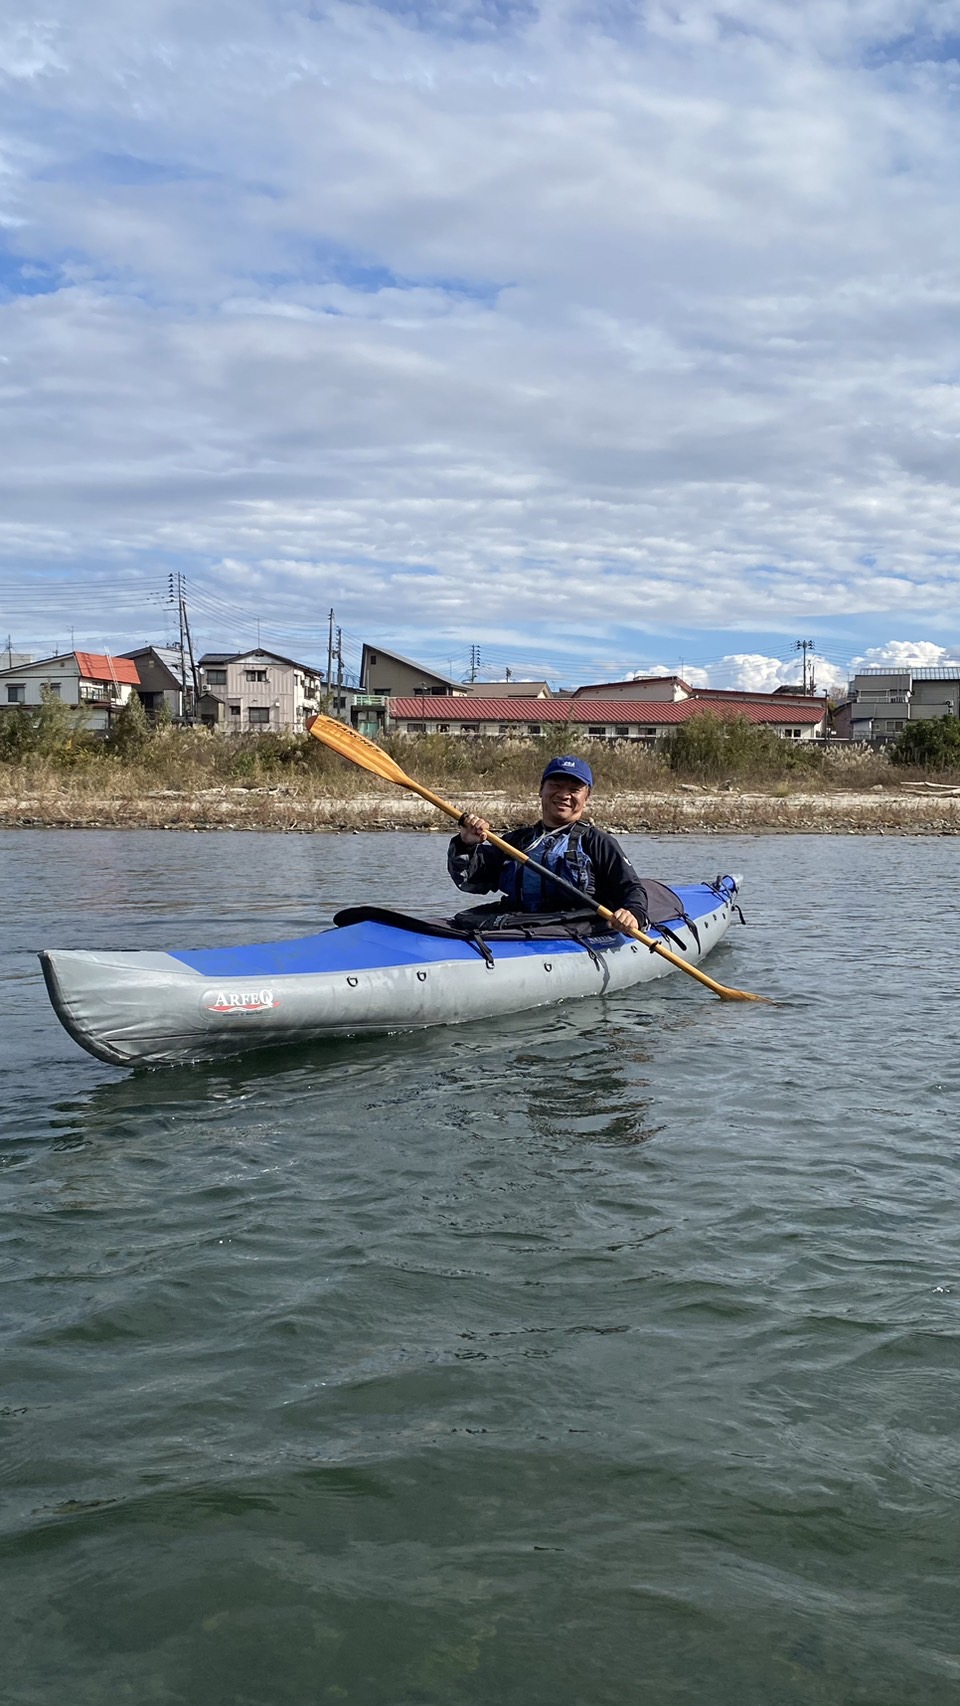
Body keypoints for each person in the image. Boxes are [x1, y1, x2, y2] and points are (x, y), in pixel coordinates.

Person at [448, 754, 646, 932]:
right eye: (556, 785)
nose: (563, 795)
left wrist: (633, 914)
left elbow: (631, 888)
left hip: (574, 926)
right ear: (541, 790)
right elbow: (469, 882)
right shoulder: (516, 841)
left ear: (586, 798)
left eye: (574, 790)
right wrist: (466, 844)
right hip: (518, 924)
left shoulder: (597, 842)